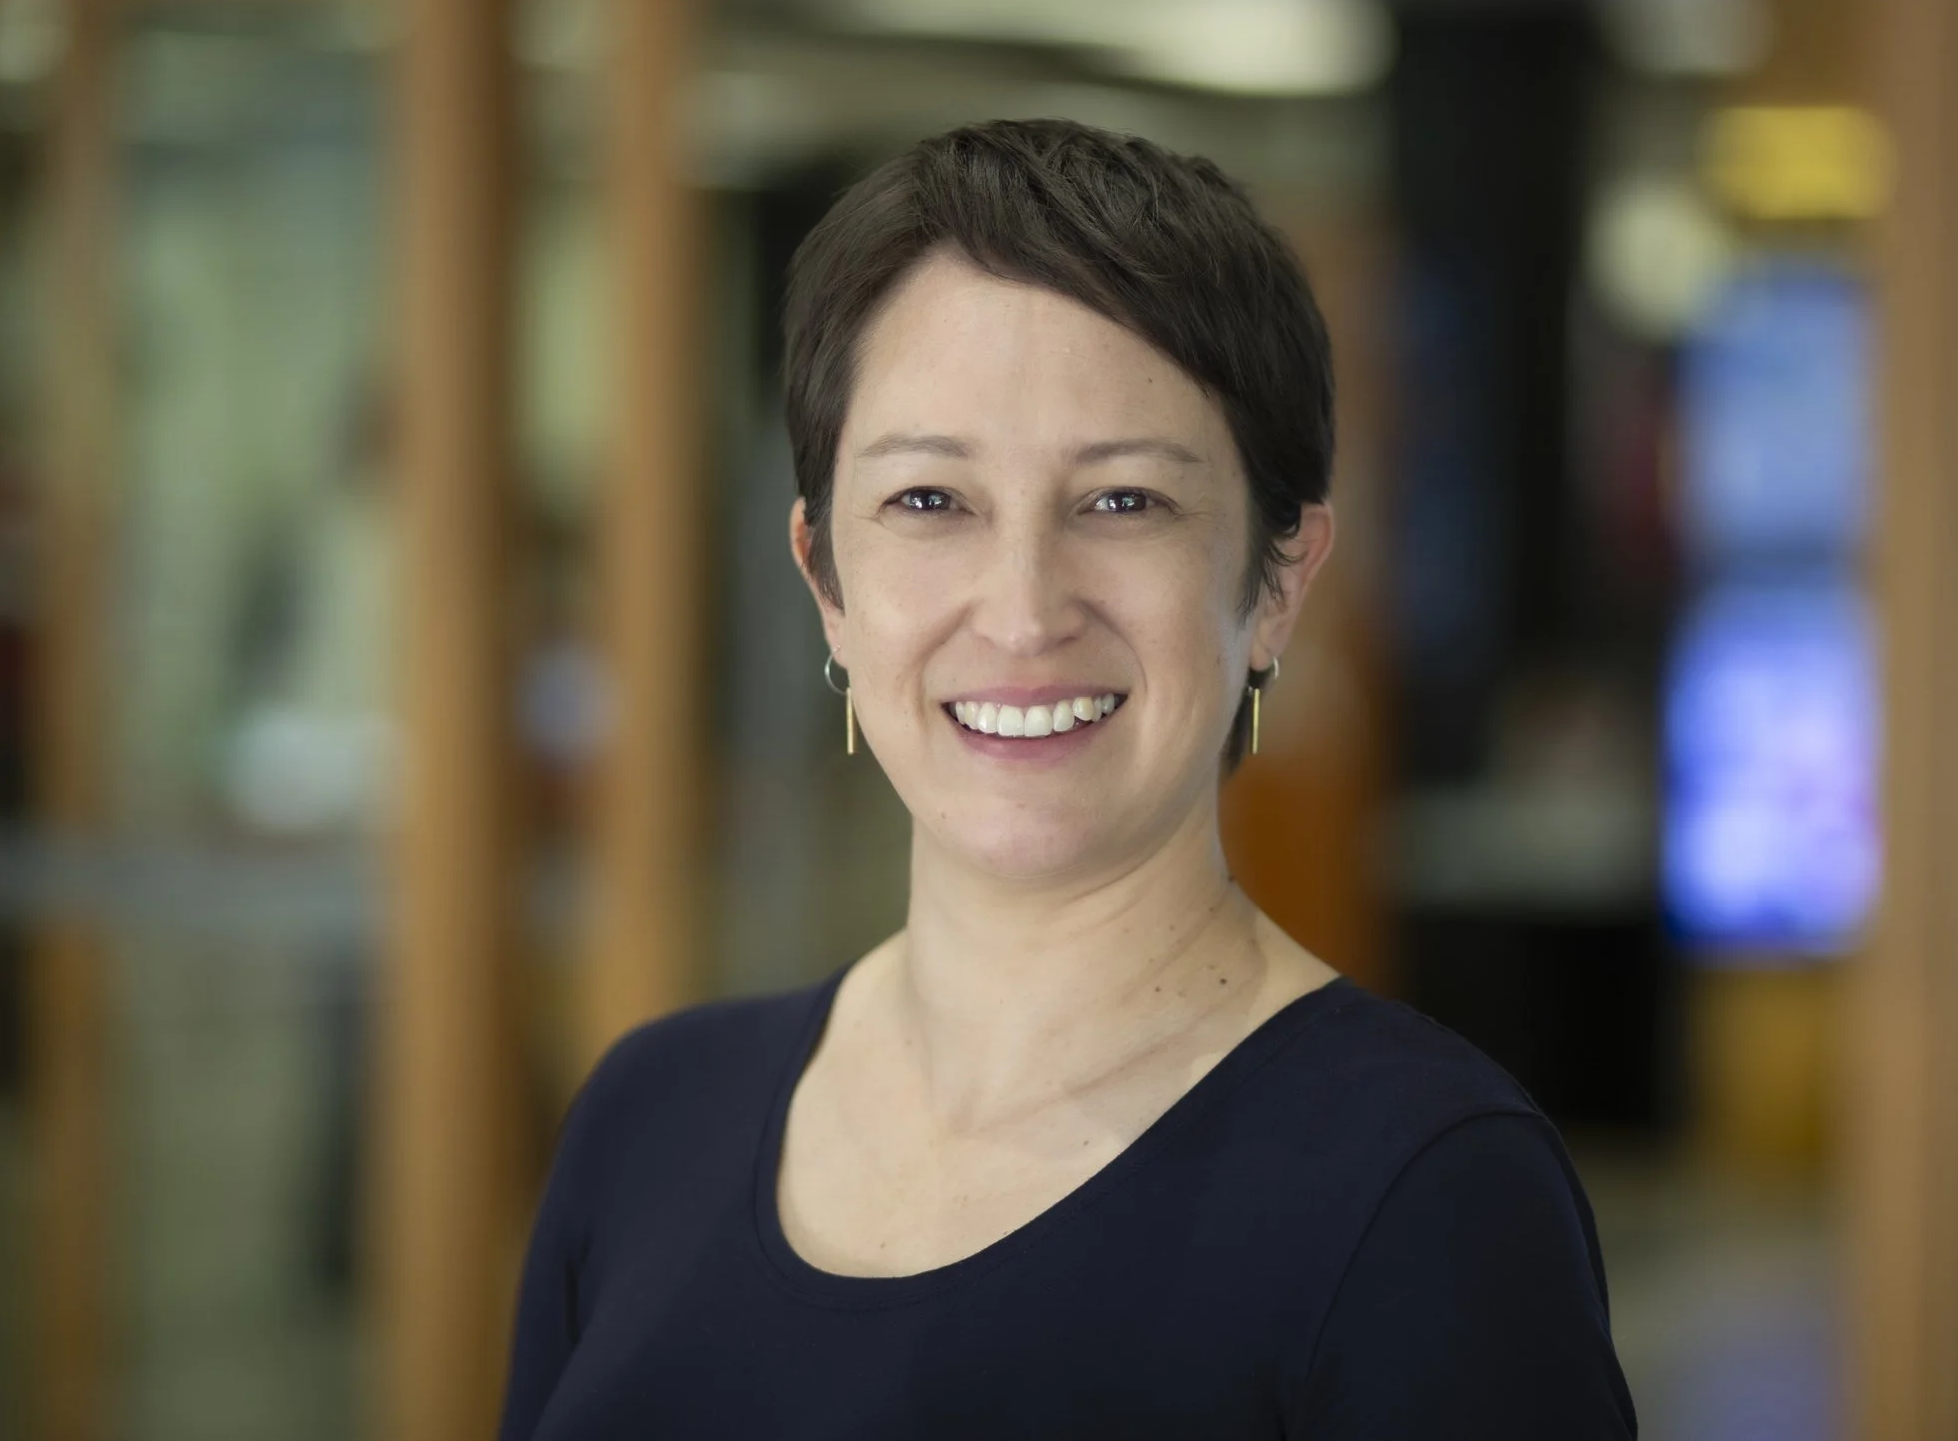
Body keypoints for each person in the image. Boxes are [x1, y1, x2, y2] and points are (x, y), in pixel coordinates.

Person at [496, 119, 1638, 1439]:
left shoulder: (1425, 1197)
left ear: (1278, 583)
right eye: (930, 500)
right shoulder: (650, 1119)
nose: (1024, 611)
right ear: (825, 582)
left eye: (1122, 503)